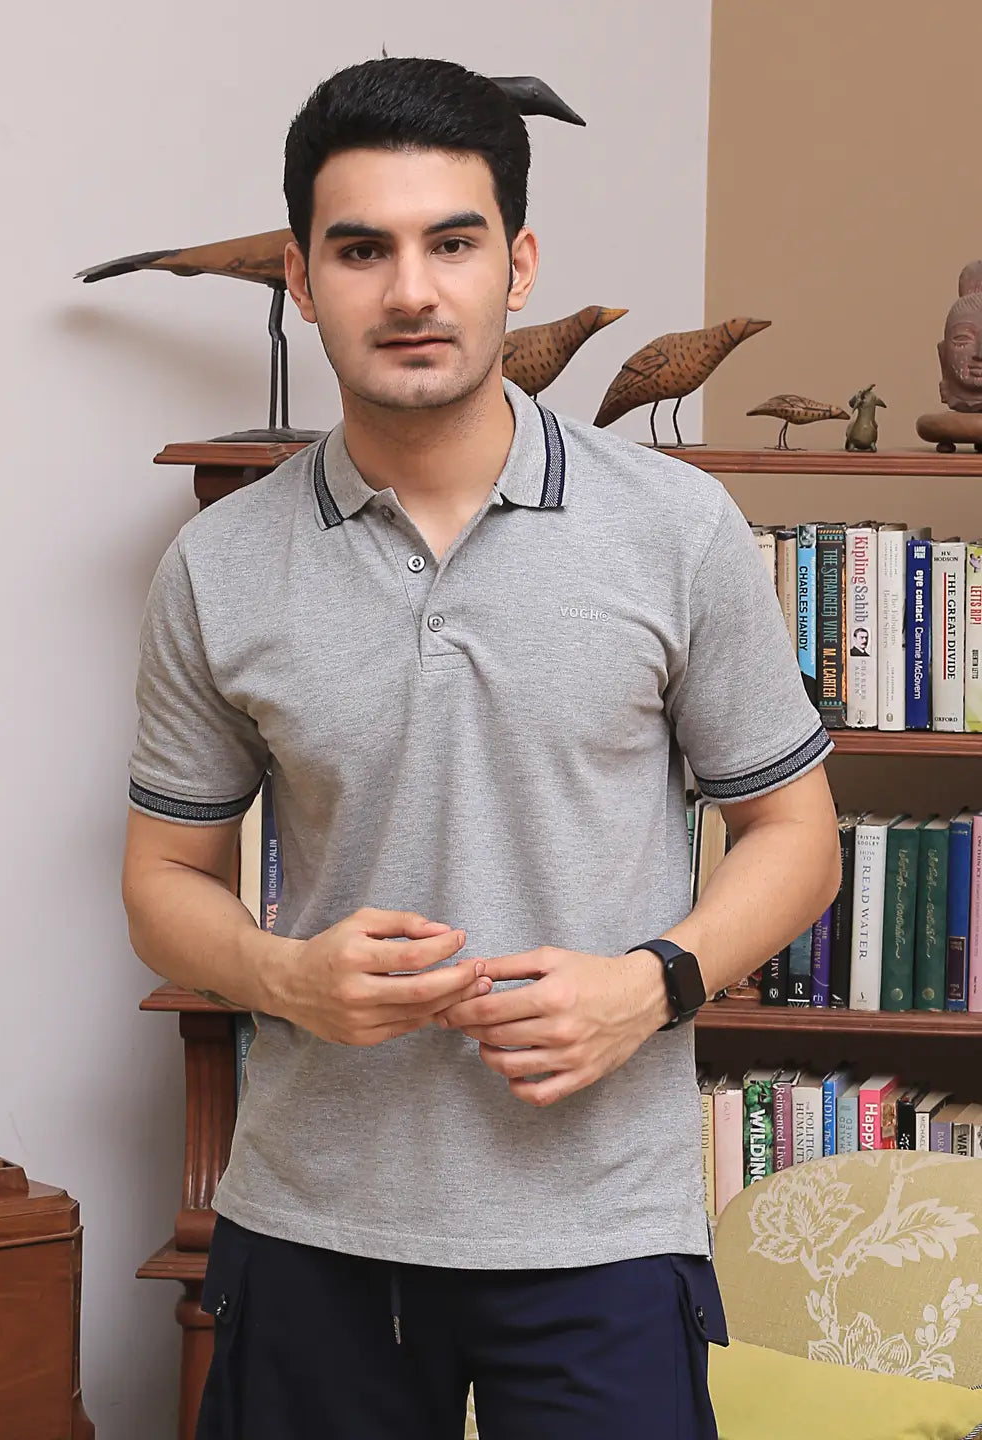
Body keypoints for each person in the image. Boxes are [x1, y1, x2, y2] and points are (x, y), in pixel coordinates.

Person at [121, 56, 841, 1440]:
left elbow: (795, 833)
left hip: (602, 1234)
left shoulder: (675, 528)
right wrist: (286, 975)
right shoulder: (217, 565)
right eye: (362, 249)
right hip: (310, 1224)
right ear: (300, 276)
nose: (410, 289)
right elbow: (163, 879)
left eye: (451, 242)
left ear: (516, 266)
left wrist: (655, 984)